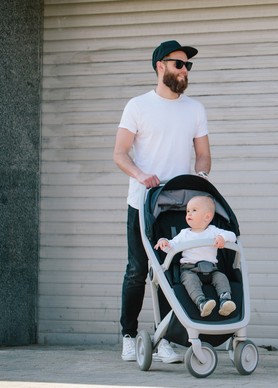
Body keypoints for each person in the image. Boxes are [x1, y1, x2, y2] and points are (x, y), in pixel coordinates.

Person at [113, 40, 211, 363]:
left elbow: (203, 155)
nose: (185, 71)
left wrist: (201, 176)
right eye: (179, 64)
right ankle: (128, 335)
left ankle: (164, 339)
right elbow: (119, 153)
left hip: (178, 206)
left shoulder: (195, 109)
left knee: (171, 272)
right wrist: (141, 176)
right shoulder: (138, 106)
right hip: (142, 204)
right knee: (137, 270)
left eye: (188, 66)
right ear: (160, 66)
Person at [154, 196, 237, 318]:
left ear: (207, 217)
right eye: (188, 211)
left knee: (221, 277)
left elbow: (232, 236)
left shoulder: (214, 231)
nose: (189, 213)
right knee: (190, 281)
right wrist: (164, 242)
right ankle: (201, 302)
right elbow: (171, 246)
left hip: (212, 269)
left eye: (194, 210)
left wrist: (223, 238)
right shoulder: (184, 234)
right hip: (189, 269)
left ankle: (225, 300)